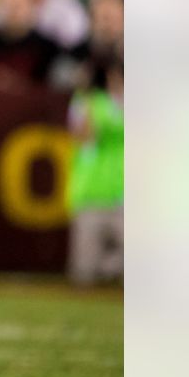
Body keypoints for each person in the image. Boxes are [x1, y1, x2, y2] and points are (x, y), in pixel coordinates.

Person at [67, 57, 123, 286]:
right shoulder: (89, 102)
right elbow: (83, 137)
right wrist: (88, 97)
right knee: (85, 272)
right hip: (91, 191)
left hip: (127, 195)